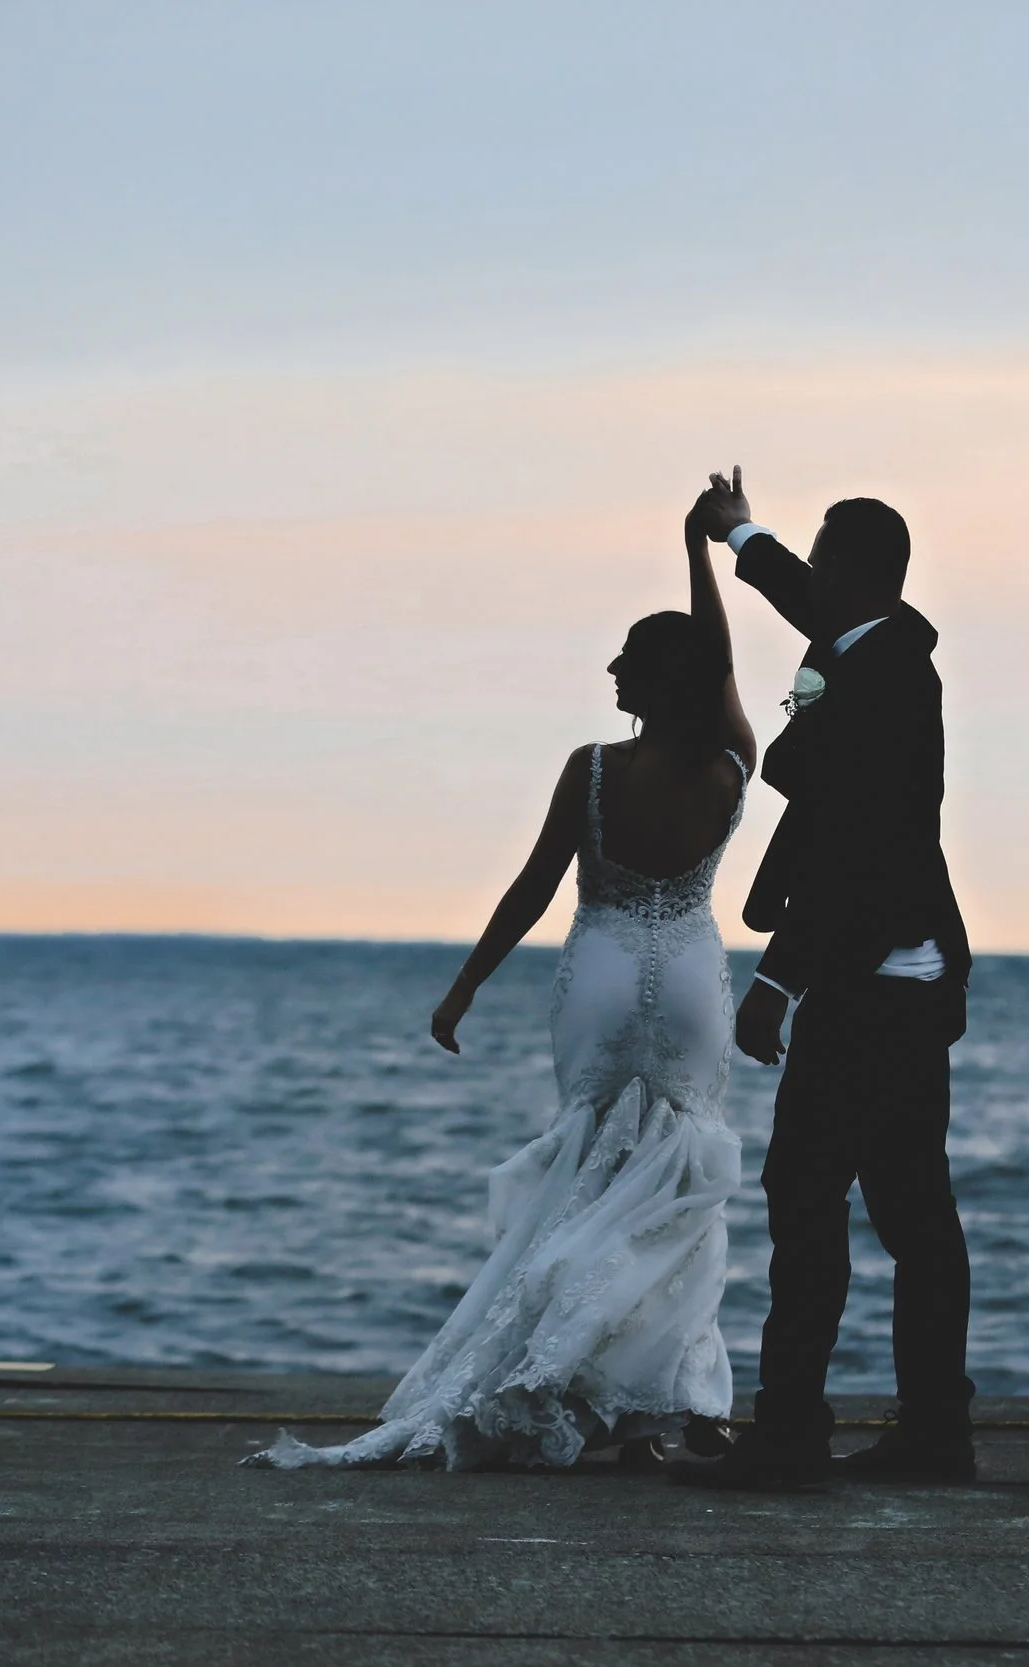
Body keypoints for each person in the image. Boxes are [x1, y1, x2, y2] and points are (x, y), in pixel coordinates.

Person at [243, 494, 759, 1471]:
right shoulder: (730, 762)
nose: (609, 667)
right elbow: (723, 665)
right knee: (677, 1184)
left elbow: (533, 885)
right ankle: (664, 1397)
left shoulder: (595, 769)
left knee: (586, 1173)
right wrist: (703, 545)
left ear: (653, 678)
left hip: (602, 974)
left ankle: (572, 1373)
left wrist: (465, 985)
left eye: (624, 658)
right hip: (689, 976)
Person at [671, 470, 977, 1492]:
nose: (808, 573)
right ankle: (935, 1432)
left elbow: (855, 846)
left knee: (807, 1196)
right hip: (902, 970)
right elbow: (809, 602)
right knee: (911, 1210)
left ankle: (790, 1432)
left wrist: (776, 981)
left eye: (818, 555)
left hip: (867, 973)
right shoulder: (876, 645)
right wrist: (737, 533)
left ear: (852, 571)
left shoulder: (881, 678)